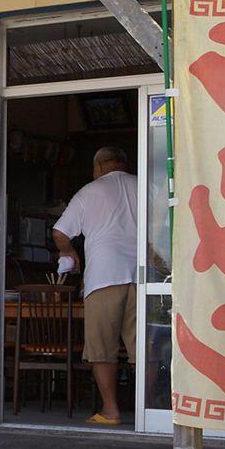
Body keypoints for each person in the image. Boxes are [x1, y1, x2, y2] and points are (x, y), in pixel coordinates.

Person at [51, 146, 138, 427]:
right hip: (144, 278)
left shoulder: (89, 191)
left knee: (102, 348)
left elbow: (59, 232)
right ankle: (148, 410)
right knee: (145, 349)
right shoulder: (146, 185)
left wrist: (68, 252)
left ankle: (111, 410)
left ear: (99, 166)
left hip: (103, 277)